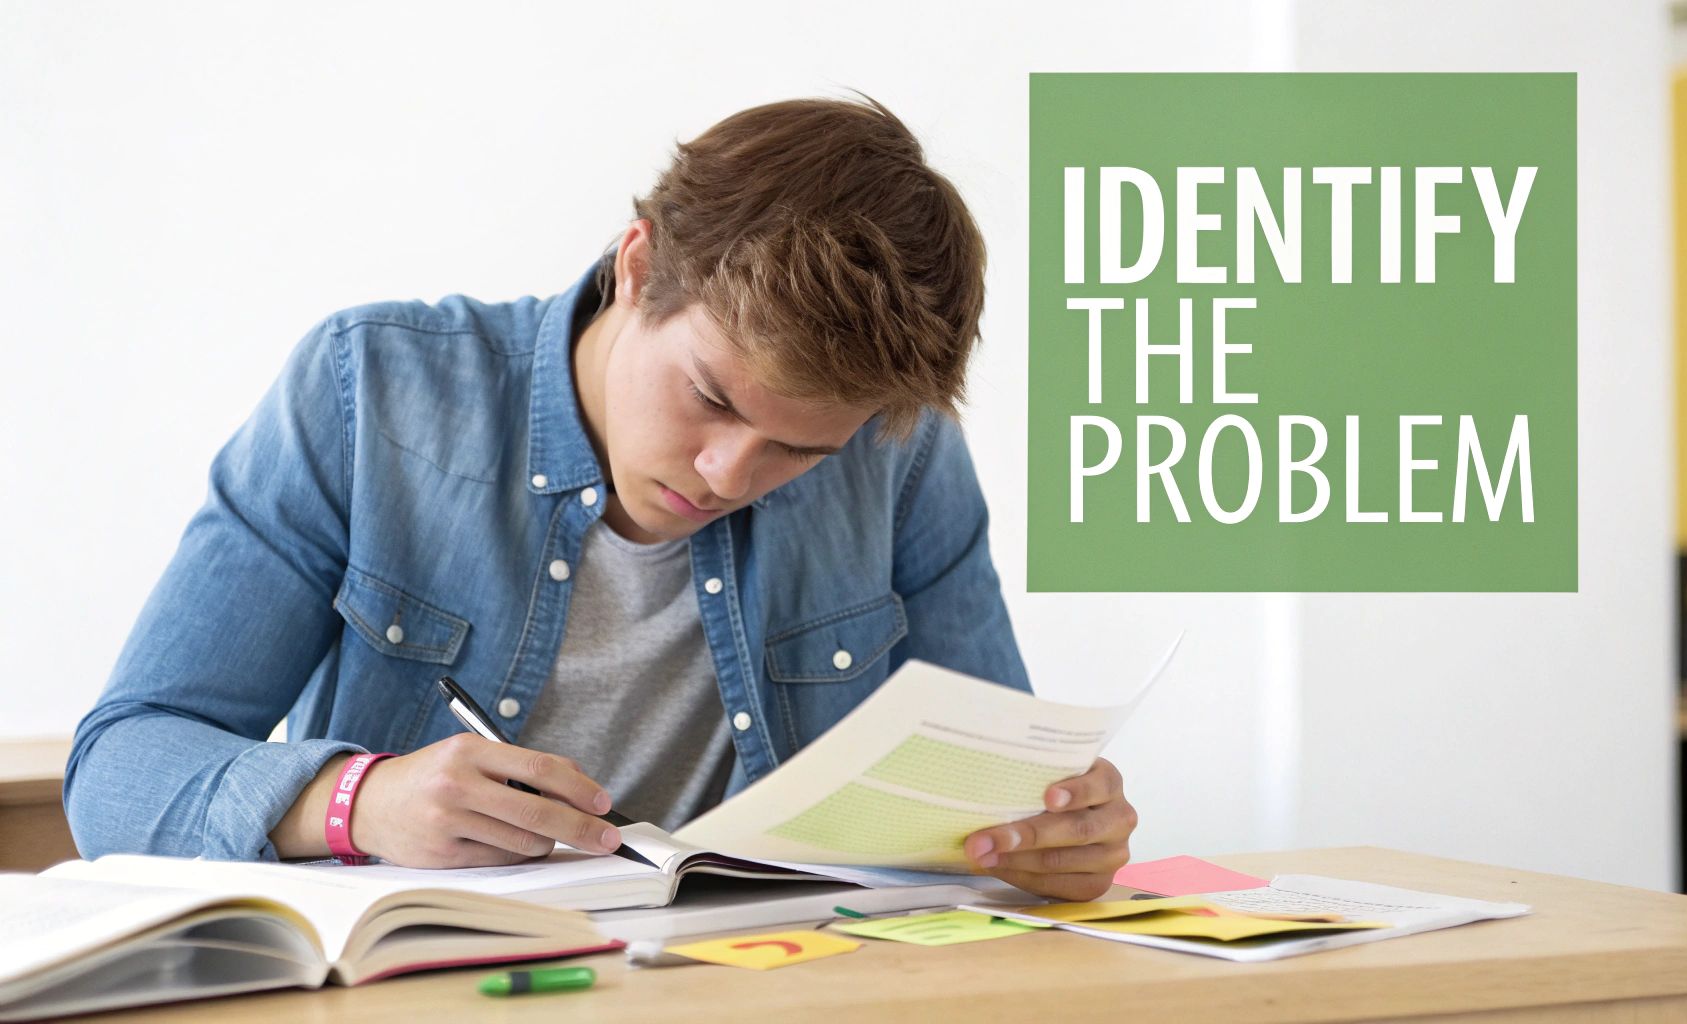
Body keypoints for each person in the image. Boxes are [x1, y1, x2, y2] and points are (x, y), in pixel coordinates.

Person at [64, 97, 1136, 901]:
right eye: (709, 396)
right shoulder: (368, 391)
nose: (727, 473)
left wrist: (1051, 832)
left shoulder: (898, 450)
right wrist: (355, 803)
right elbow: (119, 765)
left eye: (798, 449)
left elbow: (991, 786)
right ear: (638, 264)